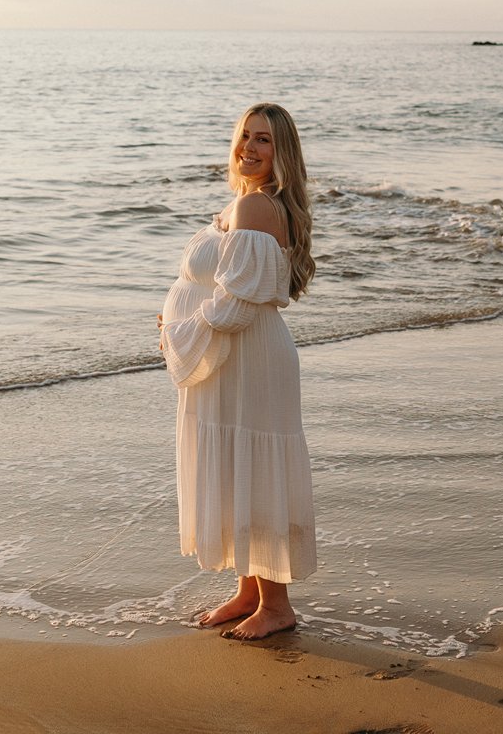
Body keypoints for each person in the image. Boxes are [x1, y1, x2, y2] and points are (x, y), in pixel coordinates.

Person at [157, 102, 318, 640]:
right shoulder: (245, 203)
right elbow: (226, 295)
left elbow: (237, 305)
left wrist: (179, 331)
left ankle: (276, 606)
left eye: (264, 140)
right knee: (235, 469)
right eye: (245, 136)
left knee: (253, 467)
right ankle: (250, 593)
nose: (249, 147)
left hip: (246, 356)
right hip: (232, 356)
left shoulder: (256, 210)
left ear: (283, 153)